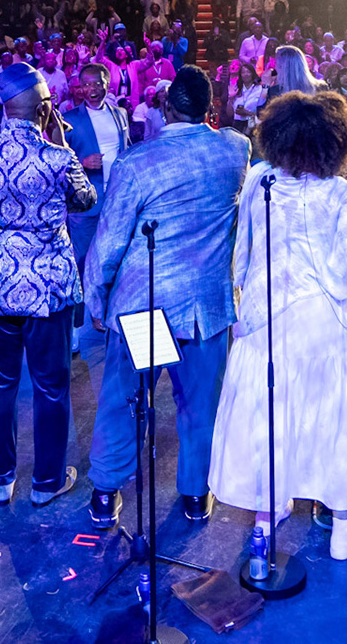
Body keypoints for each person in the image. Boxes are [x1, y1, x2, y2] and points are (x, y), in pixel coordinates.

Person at [210, 91, 347, 564]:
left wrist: (240, 308)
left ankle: (267, 512)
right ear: (337, 143)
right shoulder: (337, 193)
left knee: (270, 414)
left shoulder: (260, 179)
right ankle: (343, 528)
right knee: (328, 421)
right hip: (318, 324)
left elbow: (241, 251)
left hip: (264, 318)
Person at [84, 66, 251, 528]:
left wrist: (96, 299)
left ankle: (105, 494)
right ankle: (196, 494)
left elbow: (110, 240)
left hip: (146, 307)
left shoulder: (136, 163)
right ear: (210, 109)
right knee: (200, 406)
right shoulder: (235, 150)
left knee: (124, 400)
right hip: (204, 310)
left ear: (165, 107)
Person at [0, 62, 96, 507]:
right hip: (47, 289)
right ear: (44, 109)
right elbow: (86, 199)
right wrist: (60, 142)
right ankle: (46, 482)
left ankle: (1, 481)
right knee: (50, 387)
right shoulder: (58, 158)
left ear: (4, 107)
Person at [62, 62, 131, 284]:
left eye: (97, 84)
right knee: (84, 258)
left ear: (107, 85)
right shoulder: (68, 119)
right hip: (86, 203)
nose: (91, 89)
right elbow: (59, 162)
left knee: (113, 256)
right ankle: (84, 302)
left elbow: (127, 148)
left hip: (116, 198)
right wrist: (82, 163)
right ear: (79, 87)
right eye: (86, 84)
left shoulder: (120, 114)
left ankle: (108, 299)